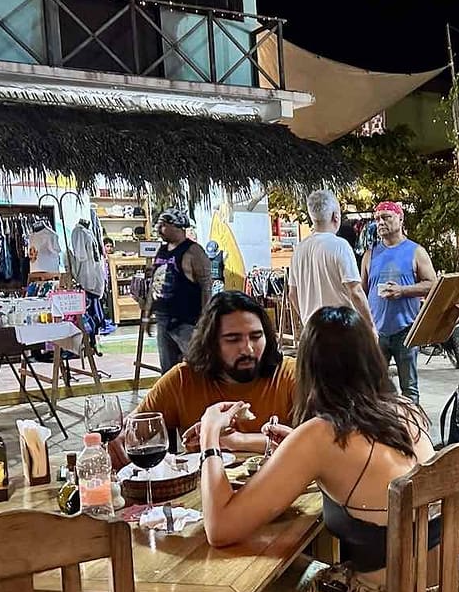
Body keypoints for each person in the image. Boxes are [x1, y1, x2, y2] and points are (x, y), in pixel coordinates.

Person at [197, 306, 438, 592]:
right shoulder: (405, 410)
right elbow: (346, 459)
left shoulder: (322, 434)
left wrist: (209, 436)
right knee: (299, 568)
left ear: (311, 368)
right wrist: (266, 443)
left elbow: (221, 528)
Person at [109, 291, 296, 469]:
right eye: (233, 339)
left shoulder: (289, 374)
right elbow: (132, 430)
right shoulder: (183, 380)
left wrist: (233, 440)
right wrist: (116, 440)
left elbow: (319, 442)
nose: (248, 349)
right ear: (211, 343)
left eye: (256, 337)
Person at [362, 201, 437, 404]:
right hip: (377, 331)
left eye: (386, 217)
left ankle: (414, 432)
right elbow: (361, 292)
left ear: (400, 219)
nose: (381, 222)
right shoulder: (370, 255)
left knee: (409, 389)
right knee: (374, 389)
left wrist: (402, 291)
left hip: (406, 330)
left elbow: (433, 284)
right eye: (377, 218)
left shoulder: (415, 251)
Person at [288, 190, 374, 328]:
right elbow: (355, 291)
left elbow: (292, 294)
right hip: (342, 330)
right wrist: (371, 327)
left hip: (313, 332)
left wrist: (308, 321)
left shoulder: (299, 249)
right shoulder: (340, 246)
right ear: (336, 217)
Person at [150, 208, 213, 372]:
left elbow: (206, 285)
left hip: (186, 320)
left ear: (177, 226)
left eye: (163, 225)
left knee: (198, 366)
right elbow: (155, 280)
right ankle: (175, 397)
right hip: (164, 318)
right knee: (169, 370)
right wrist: (148, 312)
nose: (159, 229)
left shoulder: (194, 251)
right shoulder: (162, 250)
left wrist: (205, 318)